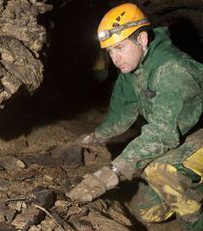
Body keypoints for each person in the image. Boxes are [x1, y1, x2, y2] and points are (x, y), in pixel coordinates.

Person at [67, 3, 203, 230]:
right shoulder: (133, 70)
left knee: (158, 170)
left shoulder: (171, 70)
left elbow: (162, 134)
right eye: (110, 51)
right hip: (185, 138)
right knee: (146, 210)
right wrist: (95, 137)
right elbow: (122, 112)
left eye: (119, 48)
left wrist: (112, 172)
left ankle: (196, 222)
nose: (115, 57)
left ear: (141, 40)